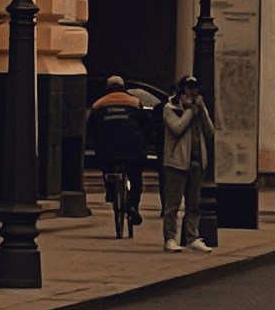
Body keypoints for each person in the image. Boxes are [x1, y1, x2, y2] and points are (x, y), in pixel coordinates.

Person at [88, 73, 148, 240]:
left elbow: (90, 129)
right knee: (136, 177)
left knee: (107, 167)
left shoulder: (98, 104)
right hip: (133, 148)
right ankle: (134, 205)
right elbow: (145, 125)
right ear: (123, 87)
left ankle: (110, 190)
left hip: (108, 150)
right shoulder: (135, 102)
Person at [159, 75, 214, 249]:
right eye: (189, 89)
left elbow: (210, 132)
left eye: (195, 89)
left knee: (194, 204)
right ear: (181, 91)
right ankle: (170, 238)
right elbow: (177, 128)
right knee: (172, 204)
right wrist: (189, 111)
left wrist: (202, 109)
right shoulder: (170, 108)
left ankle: (192, 237)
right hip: (176, 164)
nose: (192, 93)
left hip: (197, 163)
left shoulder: (199, 109)